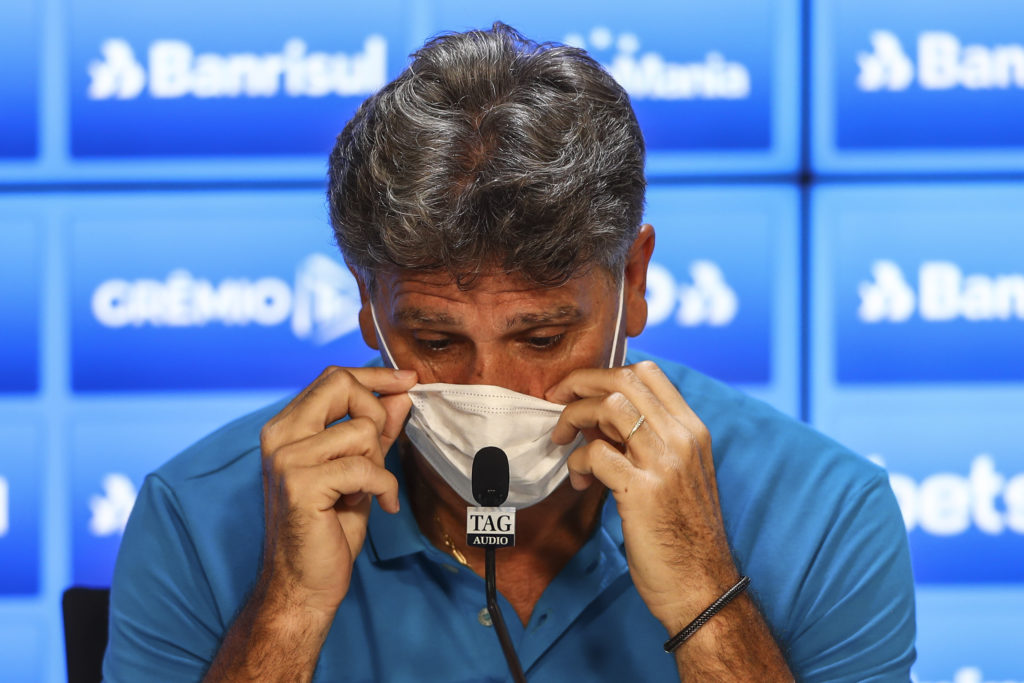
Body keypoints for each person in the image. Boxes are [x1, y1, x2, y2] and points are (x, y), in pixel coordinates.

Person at [103, 23, 915, 682]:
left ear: (632, 280)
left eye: (541, 336)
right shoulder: (202, 516)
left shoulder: (823, 511)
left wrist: (707, 595)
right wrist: (285, 612)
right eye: (435, 340)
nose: (492, 388)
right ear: (363, 299)